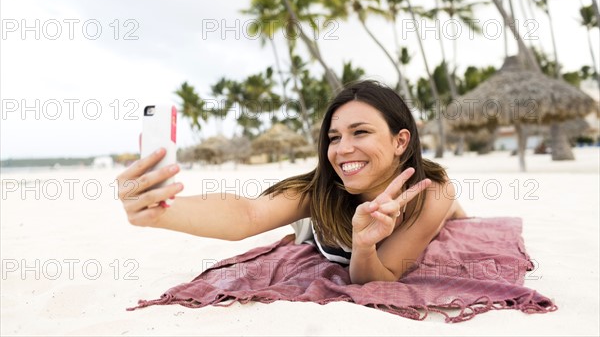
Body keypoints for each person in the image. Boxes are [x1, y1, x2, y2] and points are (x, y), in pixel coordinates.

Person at [116, 80, 467, 284]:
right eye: (333, 137)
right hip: (322, 222)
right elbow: (249, 214)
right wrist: (163, 211)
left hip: (435, 206)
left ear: (400, 141)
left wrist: (364, 247)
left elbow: (378, 280)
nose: (343, 149)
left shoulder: (432, 194)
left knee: (457, 218)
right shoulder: (320, 189)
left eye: (360, 132)